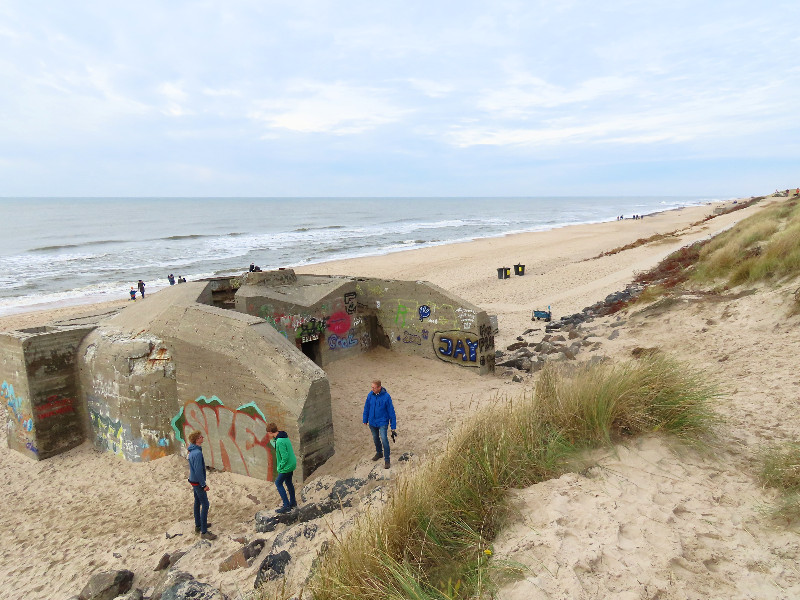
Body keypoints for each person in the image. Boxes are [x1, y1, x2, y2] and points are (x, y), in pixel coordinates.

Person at [187, 430, 217, 540]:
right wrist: (204, 484)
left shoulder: (192, 451)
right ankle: (204, 531)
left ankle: (198, 525)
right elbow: (198, 470)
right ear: (197, 440)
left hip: (193, 480)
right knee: (205, 504)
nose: (202, 437)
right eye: (200, 437)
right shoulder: (197, 453)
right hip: (198, 482)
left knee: (197, 502)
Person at [362, 379, 397, 469]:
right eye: (372, 387)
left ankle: (387, 459)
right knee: (375, 438)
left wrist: (393, 427)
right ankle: (379, 453)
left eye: (374, 387)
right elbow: (366, 407)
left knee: (384, 439)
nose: (372, 389)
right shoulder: (370, 395)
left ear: (379, 387)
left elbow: (391, 412)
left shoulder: (386, 397)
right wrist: (365, 419)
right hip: (372, 422)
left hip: (383, 422)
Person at [267, 422, 297, 513]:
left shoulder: (279, 441)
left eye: (268, 433)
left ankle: (286, 505)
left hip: (287, 466)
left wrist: (280, 466)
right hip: (292, 464)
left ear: (270, 432)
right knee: (288, 482)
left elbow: (284, 457)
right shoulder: (284, 437)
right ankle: (293, 502)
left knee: (278, 483)